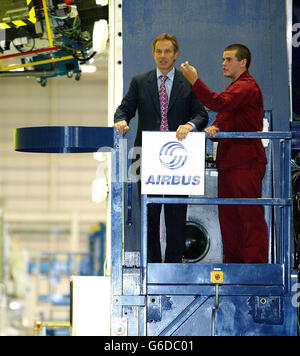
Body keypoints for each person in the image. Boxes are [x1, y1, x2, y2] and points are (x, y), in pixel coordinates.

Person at [114, 33, 208, 263]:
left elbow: (201, 114)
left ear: (176, 54)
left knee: (176, 217)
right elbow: (124, 109)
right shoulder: (139, 81)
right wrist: (122, 120)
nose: (163, 56)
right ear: (153, 54)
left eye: (168, 51)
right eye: (159, 51)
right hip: (148, 159)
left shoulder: (188, 83)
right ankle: (153, 268)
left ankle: (173, 267)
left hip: (179, 160)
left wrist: (189, 125)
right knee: (150, 217)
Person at [181, 44, 268, 263]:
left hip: (245, 162)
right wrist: (217, 128)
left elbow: (218, 103)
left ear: (243, 63)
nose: (223, 63)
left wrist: (195, 81)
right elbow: (225, 116)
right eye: (222, 59)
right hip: (229, 164)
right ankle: (233, 267)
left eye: (229, 59)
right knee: (229, 219)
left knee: (248, 217)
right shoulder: (236, 89)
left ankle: (254, 269)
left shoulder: (247, 87)